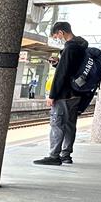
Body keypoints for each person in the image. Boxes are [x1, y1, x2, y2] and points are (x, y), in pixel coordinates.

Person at [35, 21, 88, 166]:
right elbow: (73, 69)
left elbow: (61, 74)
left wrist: (52, 95)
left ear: (61, 32)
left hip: (64, 94)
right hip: (77, 93)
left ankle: (54, 156)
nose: (57, 39)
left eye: (56, 36)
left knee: (57, 124)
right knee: (70, 124)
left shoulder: (69, 48)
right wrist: (58, 63)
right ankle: (66, 155)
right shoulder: (82, 46)